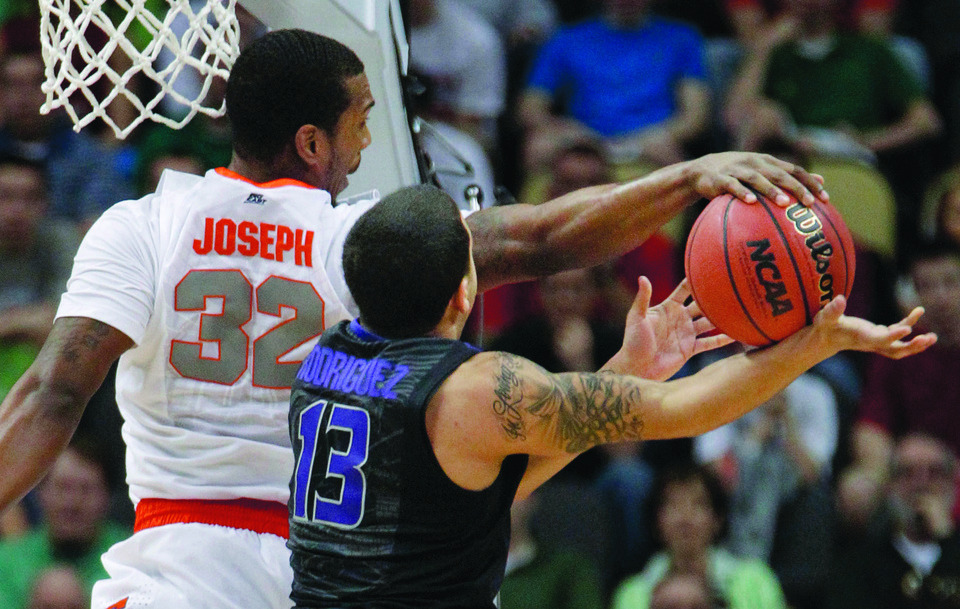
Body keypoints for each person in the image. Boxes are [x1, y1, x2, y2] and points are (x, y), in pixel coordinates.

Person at [0, 27, 832, 609]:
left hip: (173, 567)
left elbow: (52, 397)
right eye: (360, 120)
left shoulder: (140, 224)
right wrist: (686, 178)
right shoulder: (360, 238)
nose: (367, 140)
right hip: (336, 569)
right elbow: (540, 237)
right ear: (313, 142)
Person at [286, 183, 933, 607]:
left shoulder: (326, 358)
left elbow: (474, 494)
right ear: (463, 294)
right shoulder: (474, 390)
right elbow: (689, 408)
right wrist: (817, 342)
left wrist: (624, 369)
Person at [517, 0, 712, 170]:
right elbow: (530, 107)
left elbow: (695, 115)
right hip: (583, 146)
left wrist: (660, 136)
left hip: (648, 146)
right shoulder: (566, 39)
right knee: (538, 147)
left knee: (674, 159)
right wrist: (565, 131)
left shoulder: (682, 38)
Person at [611, 462, 788, 609]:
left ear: (717, 519)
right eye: (674, 505)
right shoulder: (632, 595)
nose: (685, 518)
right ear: (657, 521)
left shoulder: (755, 580)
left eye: (698, 505)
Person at [826, 432, 960, 608]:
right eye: (907, 472)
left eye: (934, 472)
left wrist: (948, 540)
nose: (921, 483)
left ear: (952, 483)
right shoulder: (861, 566)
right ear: (889, 486)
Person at [0, 441, 128, 609]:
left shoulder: (131, 560)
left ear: (108, 497)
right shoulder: (6, 562)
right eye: (62, 488)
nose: (72, 503)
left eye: (85, 489)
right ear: (39, 492)